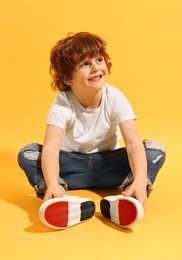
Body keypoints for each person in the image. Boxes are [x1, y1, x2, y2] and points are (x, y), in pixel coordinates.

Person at [18, 32, 166, 230]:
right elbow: (52, 148)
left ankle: (131, 194)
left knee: (155, 149)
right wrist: (52, 181)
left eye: (99, 59)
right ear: (67, 77)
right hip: (70, 167)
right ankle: (58, 195)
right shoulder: (62, 103)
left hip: (109, 166)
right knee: (28, 152)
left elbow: (132, 143)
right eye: (85, 64)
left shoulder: (115, 97)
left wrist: (140, 180)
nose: (96, 67)